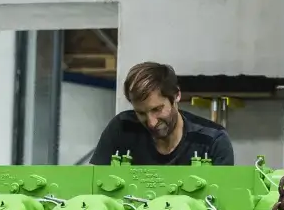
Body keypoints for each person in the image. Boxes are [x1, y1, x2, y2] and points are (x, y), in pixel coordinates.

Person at [83, 60, 235, 166]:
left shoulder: (212, 141)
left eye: (157, 109)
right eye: (141, 113)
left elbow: (222, 200)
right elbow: (93, 186)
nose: (151, 122)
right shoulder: (121, 128)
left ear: (176, 96)